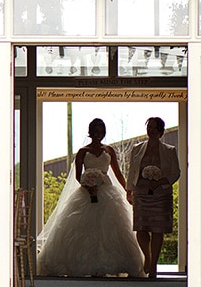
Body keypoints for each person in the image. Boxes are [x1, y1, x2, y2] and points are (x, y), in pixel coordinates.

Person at [38, 118, 145, 278]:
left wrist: (128, 191)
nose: (98, 134)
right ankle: (79, 265)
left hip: (108, 193)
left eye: (100, 131)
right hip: (86, 193)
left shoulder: (109, 151)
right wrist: (88, 185)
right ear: (90, 132)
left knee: (112, 228)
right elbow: (77, 176)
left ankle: (115, 264)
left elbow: (117, 173)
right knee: (80, 229)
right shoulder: (82, 152)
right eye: (95, 131)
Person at [126, 116, 181, 279]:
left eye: (155, 128)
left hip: (161, 194)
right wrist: (129, 191)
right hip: (141, 192)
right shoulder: (137, 149)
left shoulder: (169, 150)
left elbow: (175, 172)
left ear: (161, 131)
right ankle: (147, 258)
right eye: (149, 127)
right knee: (141, 227)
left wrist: (160, 182)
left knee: (157, 229)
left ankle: (154, 264)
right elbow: (132, 171)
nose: (151, 130)